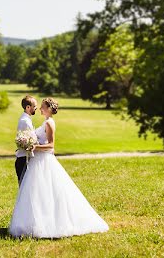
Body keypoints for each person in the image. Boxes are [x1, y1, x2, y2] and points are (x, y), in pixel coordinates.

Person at [8, 97, 109, 238]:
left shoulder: (49, 123)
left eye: (42, 106)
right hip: (38, 161)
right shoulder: (45, 122)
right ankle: (35, 223)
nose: (40, 109)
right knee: (37, 194)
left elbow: (51, 145)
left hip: (44, 161)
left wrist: (35, 146)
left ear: (49, 109)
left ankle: (49, 224)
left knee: (47, 193)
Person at [15, 95, 37, 184]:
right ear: (28, 107)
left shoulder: (26, 119)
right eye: (34, 106)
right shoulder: (25, 121)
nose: (36, 108)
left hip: (25, 157)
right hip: (24, 159)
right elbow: (27, 140)